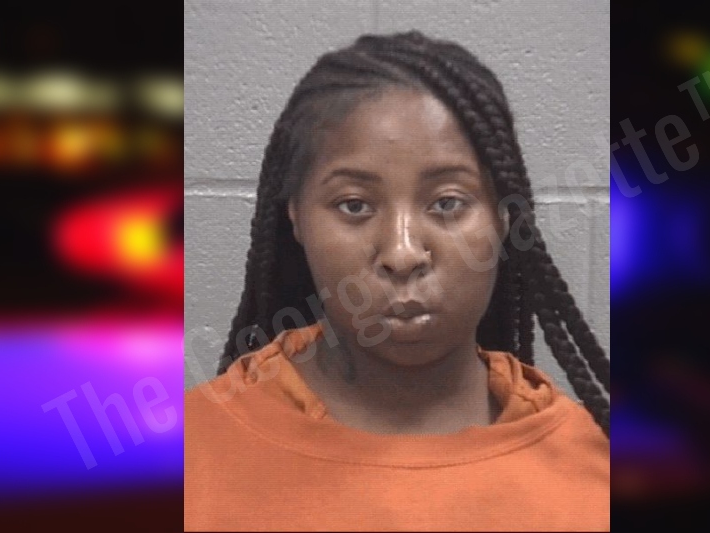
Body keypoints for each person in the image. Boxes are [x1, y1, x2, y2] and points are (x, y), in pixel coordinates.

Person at [185, 31, 610, 531]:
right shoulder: (185, 456)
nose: (403, 253)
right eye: (354, 205)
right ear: (295, 216)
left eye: (447, 202)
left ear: (503, 218)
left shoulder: (596, 469)